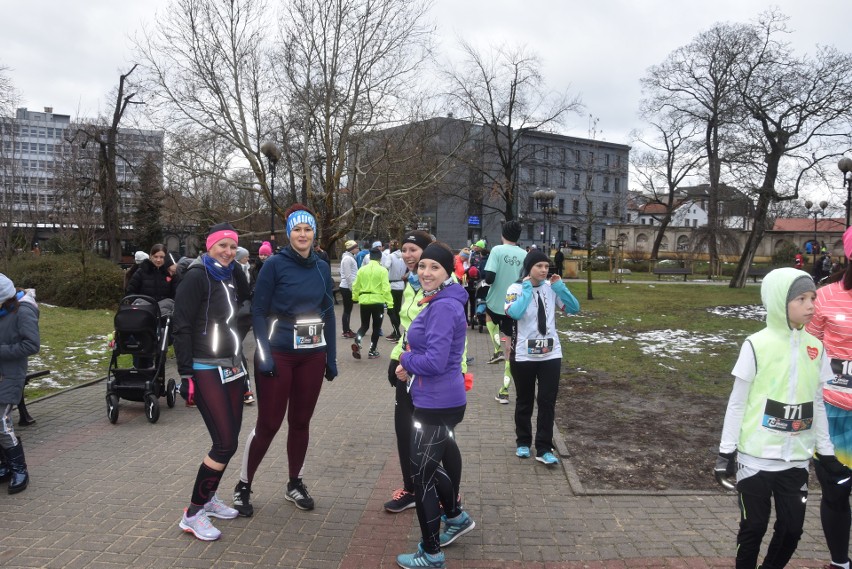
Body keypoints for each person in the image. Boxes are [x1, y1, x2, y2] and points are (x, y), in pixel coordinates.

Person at [716, 267, 844, 569]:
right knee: (754, 528)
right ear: (778, 301)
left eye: (812, 297)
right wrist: (726, 451)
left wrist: (826, 453)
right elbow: (737, 402)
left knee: (791, 530)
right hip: (755, 459)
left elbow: (818, 402)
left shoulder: (817, 348)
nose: (811, 305)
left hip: (795, 462)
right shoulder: (756, 345)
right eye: (801, 298)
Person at [234, 203, 337, 516]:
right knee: (269, 423)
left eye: (308, 229)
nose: (303, 234)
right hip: (278, 353)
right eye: (297, 229)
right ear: (289, 233)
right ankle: (243, 485)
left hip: (312, 355)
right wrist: (263, 354)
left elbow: (329, 311)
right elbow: (259, 312)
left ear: (314, 233)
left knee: (301, 422)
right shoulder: (275, 265)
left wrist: (331, 356)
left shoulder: (320, 265)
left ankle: (295, 482)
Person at [394, 242, 475, 569]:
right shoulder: (442, 300)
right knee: (430, 466)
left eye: (434, 268)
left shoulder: (443, 306)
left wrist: (405, 358)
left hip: (438, 401)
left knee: (422, 477)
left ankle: (431, 553)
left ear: (447, 272)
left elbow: (437, 361)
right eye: (422, 265)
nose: (425, 272)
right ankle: (455, 517)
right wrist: (411, 363)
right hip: (438, 398)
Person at [172, 222, 250, 541]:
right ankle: (192, 513)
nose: (229, 252)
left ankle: (209, 498)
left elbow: (246, 308)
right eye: (222, 246)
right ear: (209, 247)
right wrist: (186, 373)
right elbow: (181, 326)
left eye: (233, 246)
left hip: (232, 365)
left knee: (229, 438)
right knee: (224, 443)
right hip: (205, 367)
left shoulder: (235, 274)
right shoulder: (196, 276)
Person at [505, 250, 579, 465]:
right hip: (523, 355)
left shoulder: (550, 289)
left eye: (547, 267)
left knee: (547, 401)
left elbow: (574, 309)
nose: (544, 270)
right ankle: (523, 442)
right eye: (539, 266)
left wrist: (560, 288)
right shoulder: (515, 288)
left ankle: (544, 447)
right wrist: (527, 290)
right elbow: (515, 313)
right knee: (524, 401)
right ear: (529, 267)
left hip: (551, 355)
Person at [805, 227, 852, 569]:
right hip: (833, 412)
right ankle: (839, 562)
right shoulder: (825, 296)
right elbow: (808, 349)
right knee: (836, 493)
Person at [383, 230, 433, 513]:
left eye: (414, 249)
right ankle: (411, 488)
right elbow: (406, 331)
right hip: (406, 367)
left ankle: (446, 492)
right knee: (404, 430)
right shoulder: (411, 284)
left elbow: (447, 338)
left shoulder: (436, 288)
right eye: (404, 249)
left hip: (428, 373)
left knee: (435, 435)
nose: (408, 255)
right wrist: (395, 359)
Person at [0, 275, 39, 494]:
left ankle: (19, 469)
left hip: (11, 374)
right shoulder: (3, 310)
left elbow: (32, 345)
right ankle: (6, 465)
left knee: (2, 422)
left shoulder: (23, 311)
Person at [484, 220, 527, 404]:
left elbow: (489, 277)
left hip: (495, 302)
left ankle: (496, 350)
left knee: (488, 317)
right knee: (511, 347)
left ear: (503, 234)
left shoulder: (497, 250)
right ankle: (504, 391)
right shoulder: (525, 254)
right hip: (513, 305)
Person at [351, 248, 393, 360]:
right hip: (378, 301)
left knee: (364, 325)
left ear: (369, 257)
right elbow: (386, 288)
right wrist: (390, 304)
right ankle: (372, 350)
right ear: (380, 258)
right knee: (376, 327)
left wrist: (355, 297)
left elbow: (355, 285)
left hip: (364, 300)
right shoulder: (383, 270)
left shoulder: (362, 269)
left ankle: (357, 341)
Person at [235, 247, 255, 405]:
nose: (247, 260)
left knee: (236, 349)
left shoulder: (243, 270)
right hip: (233, 316)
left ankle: (245, 387)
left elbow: (246, 293)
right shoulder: (238, 270)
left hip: (241, 316)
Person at [386, 240, 406, 342]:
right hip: (401, 285)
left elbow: (386, 267)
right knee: (397, 309)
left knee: (390, 310)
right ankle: (395, 332)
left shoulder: (390, 256)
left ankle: (397, 332)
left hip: (392, 285)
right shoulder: (404, 256)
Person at [339, 240, 360, 339]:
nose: (358, 249)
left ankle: (347, 329)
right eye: (356, 247)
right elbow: (348, 275)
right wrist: (352, 288)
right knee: (347, 310)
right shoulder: (347, 259)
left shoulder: (350, 257)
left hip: (348, 287)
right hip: (347, 287)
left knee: (349, 309)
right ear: (351, 249)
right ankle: (345, 331)